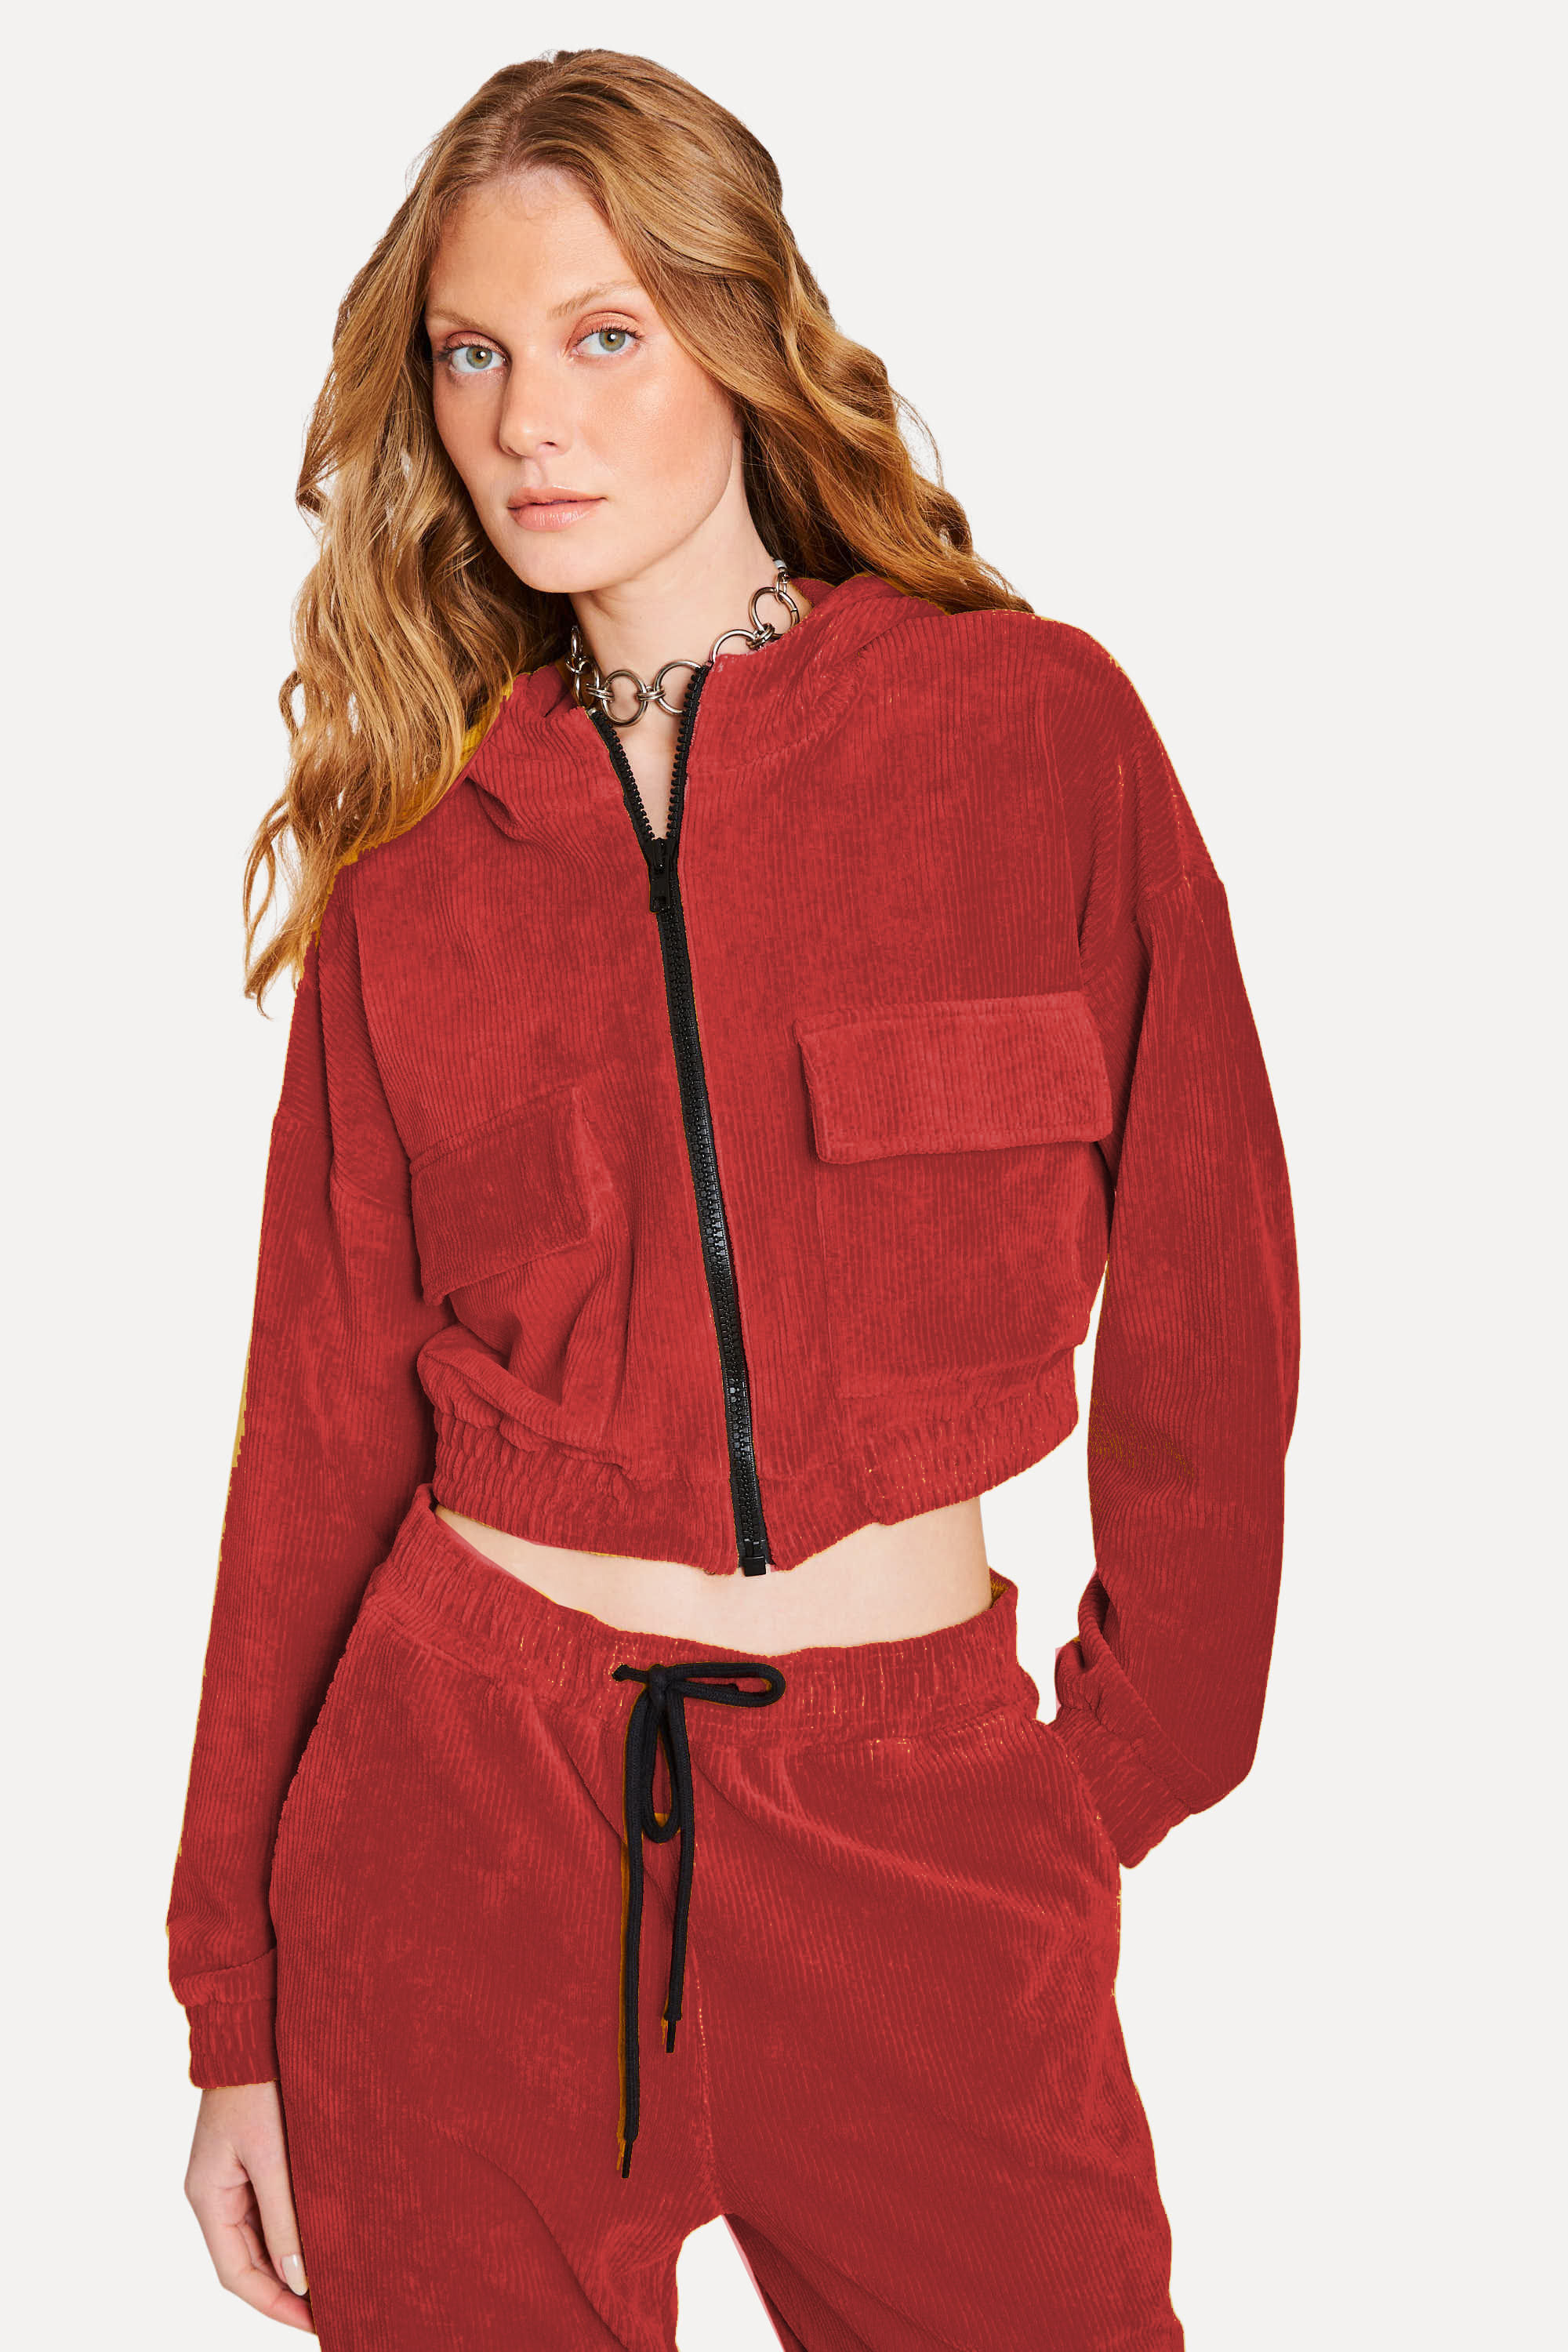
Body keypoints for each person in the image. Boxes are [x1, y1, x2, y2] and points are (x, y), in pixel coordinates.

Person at [167, 45, 1299, 2352]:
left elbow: (1216, 1284)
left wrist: (1120, 1761)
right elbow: (314, 1437)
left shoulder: (1034, 735)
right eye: (472, 356)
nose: (528, 423)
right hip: (465, 1825)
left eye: (603, 336)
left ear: (740, 332)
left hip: (921, 1820)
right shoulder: (424, 863)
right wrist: (238, 2006)